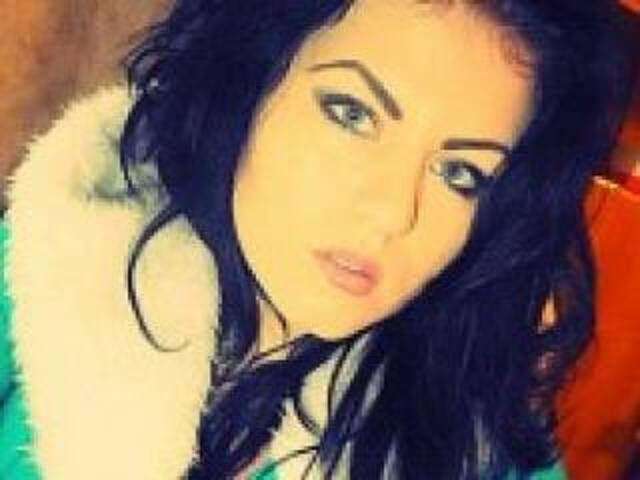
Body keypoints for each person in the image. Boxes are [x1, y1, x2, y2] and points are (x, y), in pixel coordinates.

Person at [0, 0, 632, 478]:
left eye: (460, 173)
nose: (393, 213)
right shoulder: (39, 269)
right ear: (246, 80)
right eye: (351, 114)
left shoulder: (477, 448)